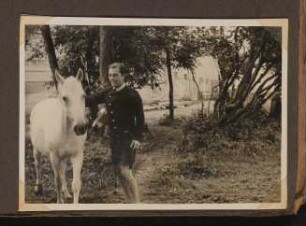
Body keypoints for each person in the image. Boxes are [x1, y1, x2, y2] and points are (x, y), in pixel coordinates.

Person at [86, 62, 145, 203]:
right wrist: (73, 94)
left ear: (123, 75)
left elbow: (140, 118)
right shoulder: (108, 92)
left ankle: (136, 203)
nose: (112, 78)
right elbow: (89, 100)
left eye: (116, 75)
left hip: (128, 138)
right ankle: (129, 201)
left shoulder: (132, 95)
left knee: (125, 170)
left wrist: (138, 138)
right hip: (114, 139)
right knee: (119, 171)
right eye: (110, 75)